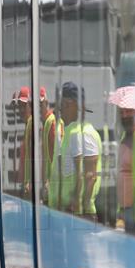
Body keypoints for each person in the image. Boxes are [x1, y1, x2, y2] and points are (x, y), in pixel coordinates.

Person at [51, 81, 102, 217]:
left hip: (78, 214)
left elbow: (90, 177)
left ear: (73, 104)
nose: (60, 109)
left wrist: (77, 204)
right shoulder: (70, 131)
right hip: (68, 212)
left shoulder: (82, 133)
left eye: (63, 104)